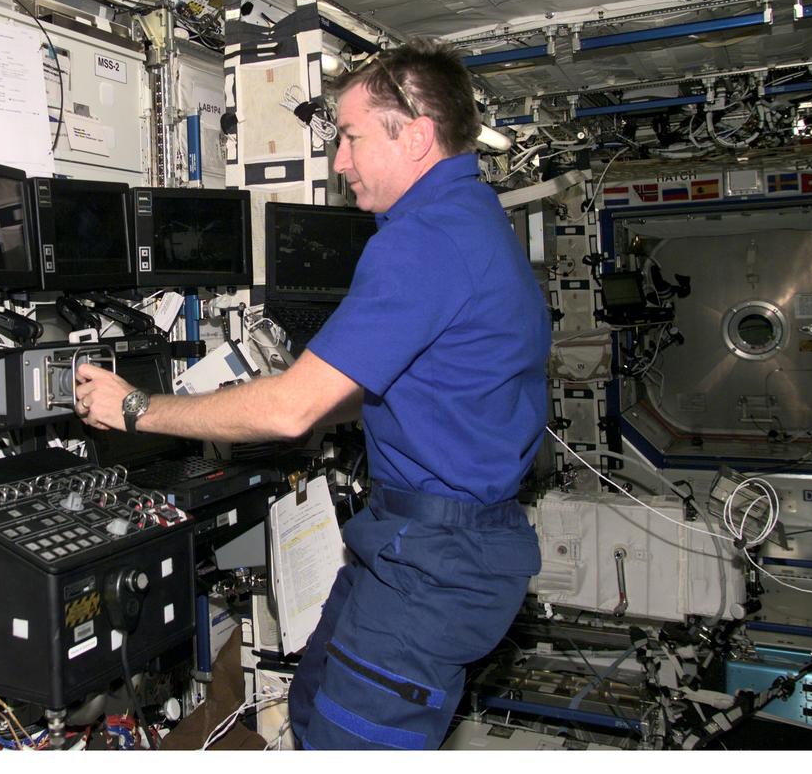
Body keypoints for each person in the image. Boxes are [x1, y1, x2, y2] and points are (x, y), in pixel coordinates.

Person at [74, 39, 550, 750]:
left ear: (416, 136)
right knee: (312, 697)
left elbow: (293, 409)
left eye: (353, 137)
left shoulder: (424, 241)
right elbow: (423, 384)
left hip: (432, 562)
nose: (340, 162)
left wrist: (138, 407)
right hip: (422, 544)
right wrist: (302, 394)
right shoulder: (475, 218)